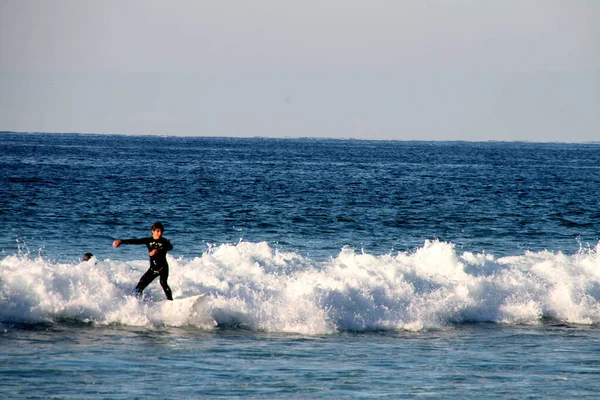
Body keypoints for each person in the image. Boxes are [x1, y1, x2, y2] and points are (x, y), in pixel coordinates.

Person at [113, 222, 174, 300]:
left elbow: (170, 247)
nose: (160, 233)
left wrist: (158, 250)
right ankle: (138, 303)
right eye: (158, 231)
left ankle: (171, 301)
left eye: (161, 231)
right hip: (153, 268)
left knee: (163, 283)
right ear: (153, 231)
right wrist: (121, 241)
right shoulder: (148, 240)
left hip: (163, 267)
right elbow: (136, 241)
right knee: (140, 286)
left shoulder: (164, 241)